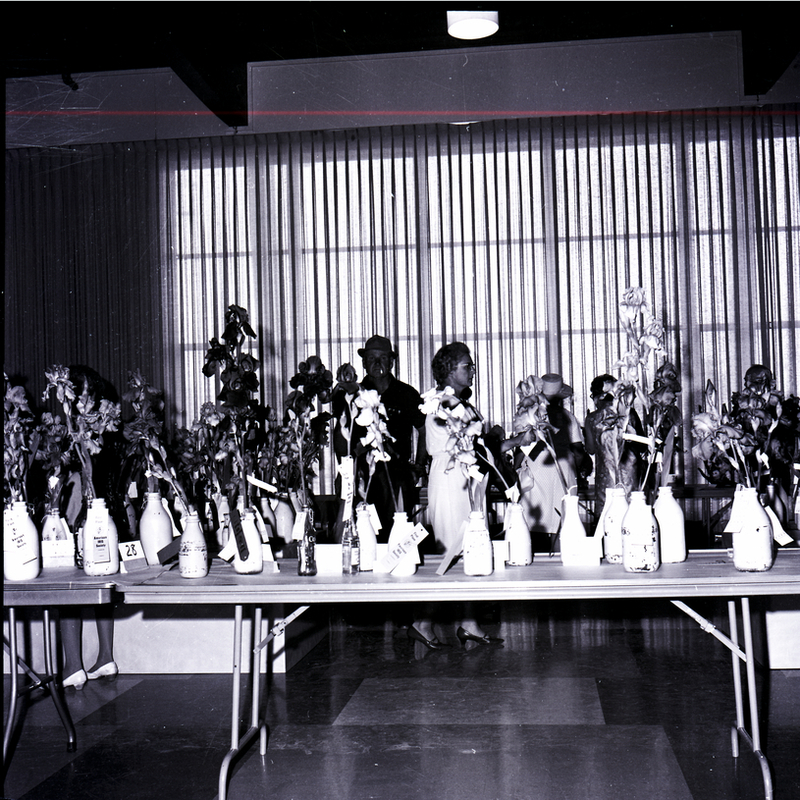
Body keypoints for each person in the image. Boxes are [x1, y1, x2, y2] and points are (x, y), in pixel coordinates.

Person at [409, 342, 526, 650]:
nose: (472, 370)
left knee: (472, 549)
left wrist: (514, 441)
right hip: (450, 480)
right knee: (452, 552)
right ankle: (422, 622)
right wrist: (513, 442)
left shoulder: (460, 404)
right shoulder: (441, 403)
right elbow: (475, 448)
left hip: (467, 479)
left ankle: (469, 623)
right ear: (449, 370)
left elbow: (480, 448)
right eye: (467, 366)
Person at [60, 366, 123, 689]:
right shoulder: (101, 431)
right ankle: (105, 657)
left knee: (70, 585)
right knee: (99, 582)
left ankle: (74, 665)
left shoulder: (82, 430)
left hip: (83, 506)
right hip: (102, 509)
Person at [345, 335, 427, 540]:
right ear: (364, 362)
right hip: (363, 478)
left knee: (397, 536)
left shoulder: (407, 394)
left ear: (391, 362)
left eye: (382, 358)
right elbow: (343, 439)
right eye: (371, 358)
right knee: (365, 535)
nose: (377, 363)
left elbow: (425, 430)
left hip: (399, 477)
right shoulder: (353, 395)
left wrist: (418, 467)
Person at [584, 373, 618, 517]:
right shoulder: (629, 413)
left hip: (606, 476)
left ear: (596, 397)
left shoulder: (592, 418)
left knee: (607, 515)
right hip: (630, 473)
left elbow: (590, 449)